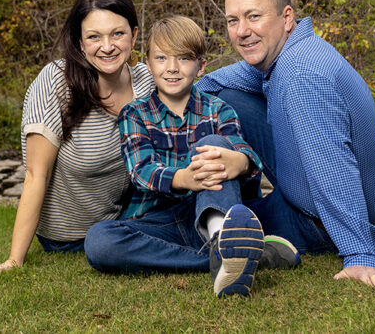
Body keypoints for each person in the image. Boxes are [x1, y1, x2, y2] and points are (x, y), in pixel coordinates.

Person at [195, 0, 375, 289]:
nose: (242, 31)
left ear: (286, 17)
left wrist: (359, 254)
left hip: (321, 223)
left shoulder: (301, 76)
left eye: (253, 16)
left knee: (192, 226)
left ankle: (228, 242)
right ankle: (237, 212)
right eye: (233, 20)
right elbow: (220, 82)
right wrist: (170, 100)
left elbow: (332, 164)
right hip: (309, 194)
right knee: (226, 99)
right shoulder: (287, 53)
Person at [83, 15, 300, 297]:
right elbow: (141, 172)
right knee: (99, 241)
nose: (172, 68)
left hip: (212, 206)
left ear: (201, 65)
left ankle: (221, 236)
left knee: (214, 144)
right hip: (158, 220)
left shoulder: (219, 109)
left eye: (184, 58)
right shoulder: (134, 114)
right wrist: (186, 178)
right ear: (147, 64)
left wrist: (242, 161)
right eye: (161, 58)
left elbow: (240, 149)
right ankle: (237, 256)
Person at [0, 0, 156, 277]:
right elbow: (35, 175)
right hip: (72, 237)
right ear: (79, 42)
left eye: (118, 34)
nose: (107, 46)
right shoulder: (56, 83)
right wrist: (14, 261)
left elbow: (194, 82)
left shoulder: (146, 81)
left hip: (128, 215)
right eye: (94, 37)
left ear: (134, 35)